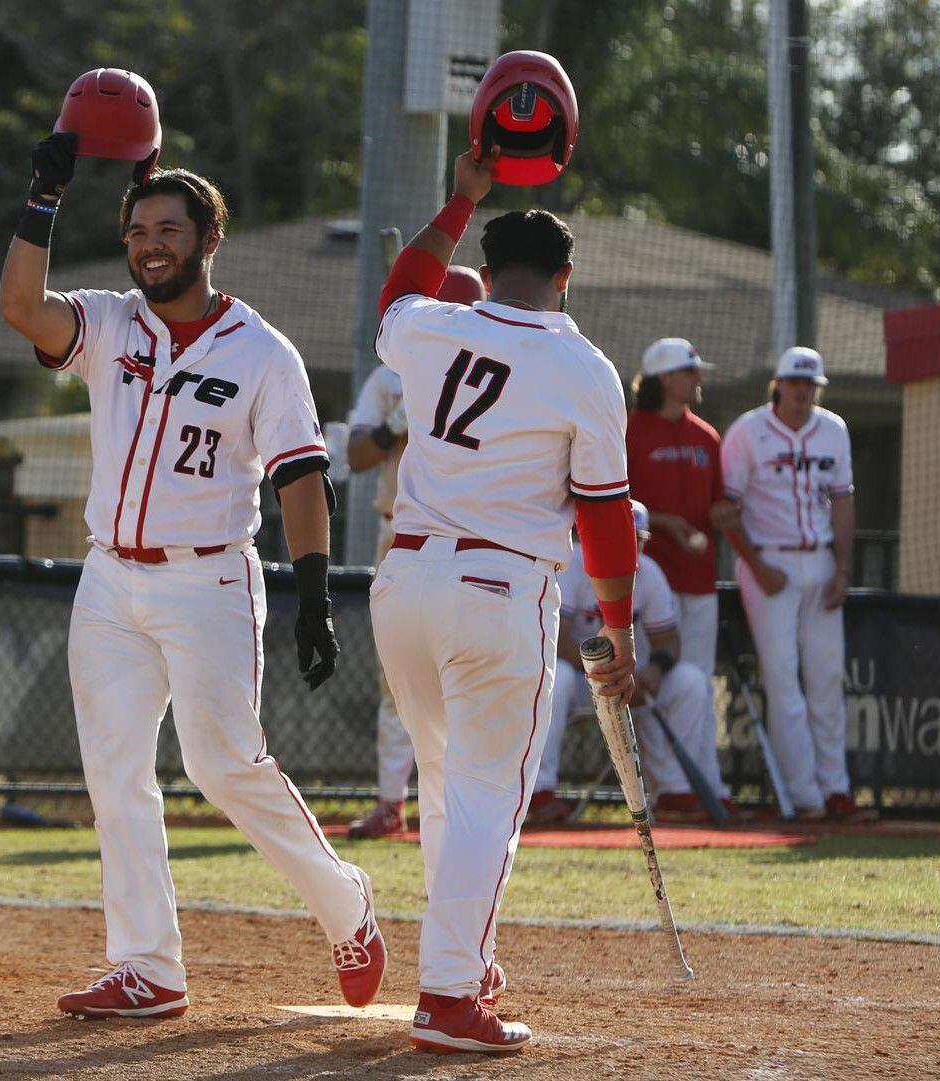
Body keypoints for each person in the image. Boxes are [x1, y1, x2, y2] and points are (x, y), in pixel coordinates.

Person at [0, 136, 384, 1020]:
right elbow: (20, 304)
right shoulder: (108, 321)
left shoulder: (262, 352)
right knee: (115, 772)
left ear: (210, 240)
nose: (148, 244)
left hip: (206, 581)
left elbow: (300, 480)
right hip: (108, 581)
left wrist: (314, 597)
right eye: (136, 230)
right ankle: (147, 966)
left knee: (223, 764)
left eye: (168, 228)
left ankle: (345, 903)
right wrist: (43, 195)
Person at [371, 151, 637, 1053]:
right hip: (497, 587)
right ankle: (448, 994)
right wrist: (617, 624)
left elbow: (394, 295)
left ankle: (465, 963)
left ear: (483, 273)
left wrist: (458, 197)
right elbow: (603, 516)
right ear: (566, 278)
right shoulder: (585, 367)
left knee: (449, 784)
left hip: (402, 582)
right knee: (487, 791)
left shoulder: (433, 324)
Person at [344, 265, 485, 840]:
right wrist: (393, 428)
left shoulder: (498, 373)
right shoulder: (391, 377)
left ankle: (463, 805)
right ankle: (391, 801)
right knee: (398, 675)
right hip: (400, 535)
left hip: (478, 540)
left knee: (471, 673)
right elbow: (353, 456)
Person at [716, 347, 869, 822]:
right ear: (777, 384)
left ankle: (835, 788)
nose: (803, 392)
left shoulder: (834, 429)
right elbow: (725, 510)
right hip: (771, 565)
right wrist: (756, 564)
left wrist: (843, 569)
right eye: (795, 383)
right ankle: (806, 796)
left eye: (811, 385)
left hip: (821, 563)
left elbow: (843, 502)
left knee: (826, 680)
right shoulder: (748, 430)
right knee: (784, 682)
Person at [537, 501, 735, 825]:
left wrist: (654, 671)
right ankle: (539, 792)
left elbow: (670, 640)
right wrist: (604, 671)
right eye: (623, 537)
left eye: (637, 539)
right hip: (582, 679)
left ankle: (675, 791)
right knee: (553, 680)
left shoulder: (650, 573)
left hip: (632, 682)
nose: (632, 546)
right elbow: (556, 638)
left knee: (689, 681)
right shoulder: (574, 563)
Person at [627, 338, 722, 674]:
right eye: (690, 372)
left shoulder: (706, 436)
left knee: (698, 679)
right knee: (646, 679)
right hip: (646, 578)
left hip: (698, 578)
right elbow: (610, 502)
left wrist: (725, 513)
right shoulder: (628, 430)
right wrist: (664, 522)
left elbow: (717, 502)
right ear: (664, 377)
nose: (699, 379)